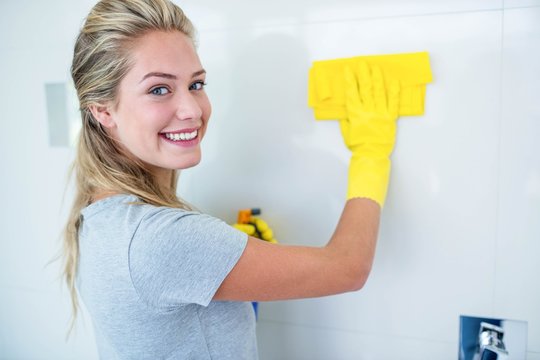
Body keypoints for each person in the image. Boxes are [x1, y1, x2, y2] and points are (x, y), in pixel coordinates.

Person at [62, 0, 401, 358]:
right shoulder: (163, 237)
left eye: (196, 84)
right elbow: (347, 269)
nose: (192, 109)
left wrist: (225, 272)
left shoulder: (101, 215)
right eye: (159, 89)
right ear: (102, 109)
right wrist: (371, 156)